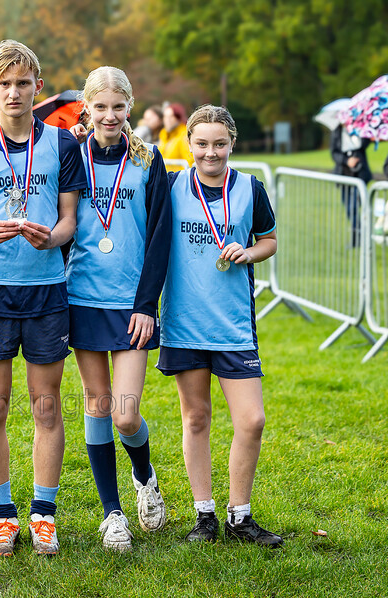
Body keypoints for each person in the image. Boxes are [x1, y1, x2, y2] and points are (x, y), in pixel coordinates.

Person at [0, 39, 87, 557]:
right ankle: (3, 516)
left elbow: (70, 219)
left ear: (38, 88)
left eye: (22, 83)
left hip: (48, 291)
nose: (13, 92)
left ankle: (43, 515)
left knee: (46, 407)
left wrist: (51, 237)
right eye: (4, 84)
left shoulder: (62, 145)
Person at [157, 104, 283, 547]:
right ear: (189, 143)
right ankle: (205, 515)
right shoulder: (171, 186)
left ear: (233, 143)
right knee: (196, 419)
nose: (211, 153)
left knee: (252, 420)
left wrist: (248, 253)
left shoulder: (250, 188)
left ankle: (240, 516)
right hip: (186, 322)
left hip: (232, 325)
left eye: (220, 144)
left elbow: (267, 240)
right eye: (202, 143)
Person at [66, 67, 171, 552]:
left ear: (130, 106)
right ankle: (112, 514)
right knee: (98, 404)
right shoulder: (71, 158)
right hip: (82, 299)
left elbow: (159, 239)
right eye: (99, 107)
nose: (109, 116)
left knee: (126, 415)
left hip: (132, 305)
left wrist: (147, 304)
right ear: (86, 108)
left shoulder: (150, 161)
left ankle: (144, 477)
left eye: (118, 106)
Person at [331, 126, 371, 247]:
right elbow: (334, 153)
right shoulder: (337, 131)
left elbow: (365, 142)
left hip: (359, 174)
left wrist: (355, 134)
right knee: (349, 209)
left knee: (354, 207)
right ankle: (358, 236)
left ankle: (359, 238)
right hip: (343, 175)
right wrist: (346, 160)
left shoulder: (361, 127)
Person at [159, 103, 194, 171]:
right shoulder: (163, 135)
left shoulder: (184, 136)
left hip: (177, 178)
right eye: (165, 116)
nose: (167, 120)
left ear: (178, 118)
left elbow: (190, 162)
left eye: (171, 116)